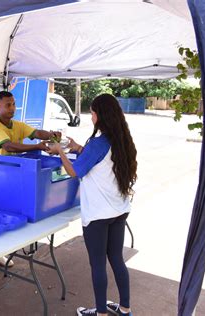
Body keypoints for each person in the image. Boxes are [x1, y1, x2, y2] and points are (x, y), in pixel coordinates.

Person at [47, 94, 136, 316]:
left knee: (97, 264)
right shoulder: (122, 140)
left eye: (93, 112)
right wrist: (77, 148)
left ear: (100, 116)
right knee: (116, 259)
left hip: (98, 215)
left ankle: (101, 313)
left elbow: (76, 171)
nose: (92, 116)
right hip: (120, 210)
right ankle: (125, 309)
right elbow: (98, 161)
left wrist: (60, 152)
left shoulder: (98, 143)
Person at [0, 90, 62, 274]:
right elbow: (9, 146)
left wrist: (51, 135)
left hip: (11, 176)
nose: (12, 108)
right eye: (7, 105)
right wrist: (36, 146)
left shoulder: (17, 125)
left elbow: (36, 132)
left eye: (13, 104)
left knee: (8, 217)